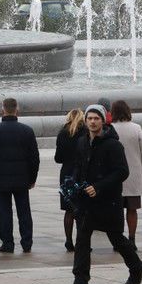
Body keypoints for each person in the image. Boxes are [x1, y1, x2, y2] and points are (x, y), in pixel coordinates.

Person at [63, 105, 142, 284]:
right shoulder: (82, 142)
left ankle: (136, 266)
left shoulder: (113, 144)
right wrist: (73, 182)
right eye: (89, 118)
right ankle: (80, 281)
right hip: (86, 200)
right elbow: (79, 166)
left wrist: (99, 186)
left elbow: (122, 171)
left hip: (108, 200)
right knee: (82, 239)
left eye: (96, 118)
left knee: (116, 237)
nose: (92, 122)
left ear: (103, 121)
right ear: (85, 121)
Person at [0, 97, 39, 254]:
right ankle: (27, 242)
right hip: (22, 179)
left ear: (3, 110)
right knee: (24, 211)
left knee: (5, 212)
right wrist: (32, 178)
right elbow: (34, 158)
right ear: (17, 110)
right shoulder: (27, 131)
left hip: (0, 180)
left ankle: (7, 243)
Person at [110, 100, 142, 248]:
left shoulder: (110, 128)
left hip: (115, 176)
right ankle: (132, 239)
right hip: (134, 175)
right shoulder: (136, 128)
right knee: (132, 210)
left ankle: (118, 240)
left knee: (117, 211)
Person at [55, 108, 83, 252]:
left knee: (69, 210)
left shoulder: (62, 133)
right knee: (81, 209)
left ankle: (68, 241)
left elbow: (57, 158)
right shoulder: (85, 132)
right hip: (81, 174)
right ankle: (81, 241)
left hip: (66, 174)